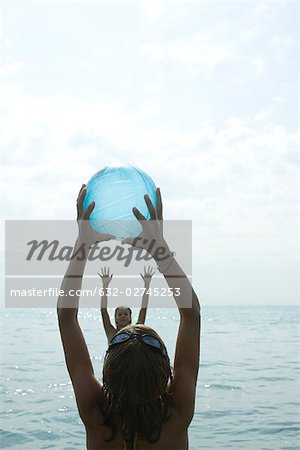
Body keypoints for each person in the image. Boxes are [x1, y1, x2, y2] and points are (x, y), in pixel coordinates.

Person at [57, 183, 201, 450]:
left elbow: (66, 317)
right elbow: (191, 314)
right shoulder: (177, 415)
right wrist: (160, 249)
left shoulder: (95, 415)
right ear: (165, 371)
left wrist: (82, 245)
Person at [98, 266, 155, 342]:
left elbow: (143, 309)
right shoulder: (111, 332)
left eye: (125, 314)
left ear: (130, 318)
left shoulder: (136, 331)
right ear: (116, 318)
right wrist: (105, 285)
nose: (123, 316)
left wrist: (147, 284)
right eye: (120, 314)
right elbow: (103, 310)